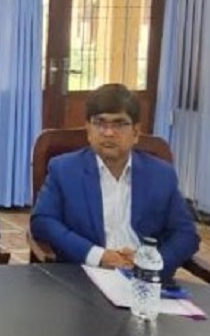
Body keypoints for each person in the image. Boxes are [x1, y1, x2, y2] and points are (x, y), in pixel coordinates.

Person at [30, 83, 199, 279]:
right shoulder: (64, 170)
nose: (108, 133)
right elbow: (43, 222)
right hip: (85, 276)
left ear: (136, 132)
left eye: (119, 124)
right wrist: (98, 256)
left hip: (143, 281)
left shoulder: (161, 175)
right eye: (100, 123)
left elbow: (186, 234)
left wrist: (150, 264)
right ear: (88, 130)